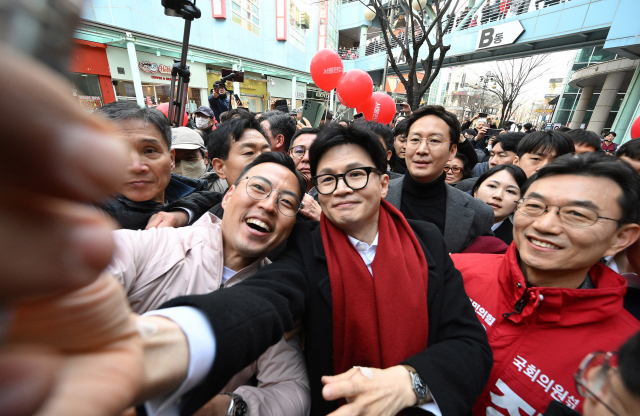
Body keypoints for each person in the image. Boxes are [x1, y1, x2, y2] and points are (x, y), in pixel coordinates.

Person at [149, 123, 492, 416]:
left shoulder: (425, 241)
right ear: (318, 191)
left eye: (356, 175)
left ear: (384, 183)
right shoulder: (305, 244)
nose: (342, 187)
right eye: (328, 179)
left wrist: (412, 381)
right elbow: (265, 299)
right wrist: (178, 340)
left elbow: (469, 344)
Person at [109, 152, 311, 416]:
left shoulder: (274, 298)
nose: (269, 205)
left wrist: (226, 406)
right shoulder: (154, 245)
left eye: (286, 202)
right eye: (258, 188)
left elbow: (294, 391)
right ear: (227, 196)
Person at [452, 153, 640, 416]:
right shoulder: (456, 271)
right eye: (534, 206)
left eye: (577, 214)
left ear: (621, 238)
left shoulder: (625, 358)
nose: (544, 225)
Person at [386, 105, 495, 253]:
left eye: (435, 141)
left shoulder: (478, 213)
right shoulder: (376, 197)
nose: (422, 150)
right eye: (415, 139)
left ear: (452, 151)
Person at [96, 102, 208, 230]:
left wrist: (183, 212)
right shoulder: (92, 223)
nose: (137, 167)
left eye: (149, 151)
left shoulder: (193, 192)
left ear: (171, 159)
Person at [471, 164, 527, 245]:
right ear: (475, 191)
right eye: (492, 186)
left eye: (510, 191)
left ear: (519, 203)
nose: (498, 195)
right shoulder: (450, 221)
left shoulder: (516, 244)